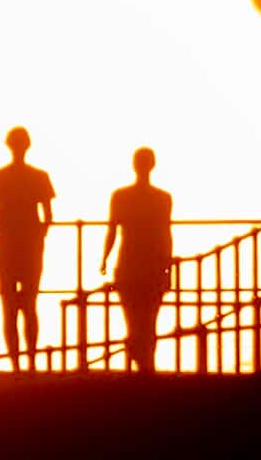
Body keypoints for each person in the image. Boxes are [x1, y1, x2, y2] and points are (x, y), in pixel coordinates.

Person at [0, 126, 55, 373]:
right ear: (28, 146)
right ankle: (31, 363)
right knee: (30, 306)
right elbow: (48, 218)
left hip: (4, 248)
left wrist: (0, 217)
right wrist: (36, 235)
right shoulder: (40, 177)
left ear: (8, 145)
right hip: (31, 247)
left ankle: (16, 365)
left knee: (9, 308)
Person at [100, 147, 173, 373]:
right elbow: (165, 234)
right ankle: (147, 366)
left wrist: (104, 258)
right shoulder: (163, 198)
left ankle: (139, 366)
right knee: (149, 321)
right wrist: (168, 267)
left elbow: (112, 230)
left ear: (134, 165)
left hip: (128, 265)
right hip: (153, 265)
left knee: (132, 320)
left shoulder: (120, 196)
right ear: (153, 165)